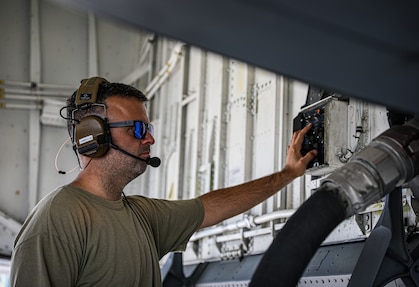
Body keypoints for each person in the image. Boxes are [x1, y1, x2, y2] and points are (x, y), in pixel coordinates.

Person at [10, 77, 317, 287]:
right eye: (138, 129)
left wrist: (287, 174)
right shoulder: (56, 222)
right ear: (93, 136)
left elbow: (209, 208)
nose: (150, 138)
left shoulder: (141, 215)